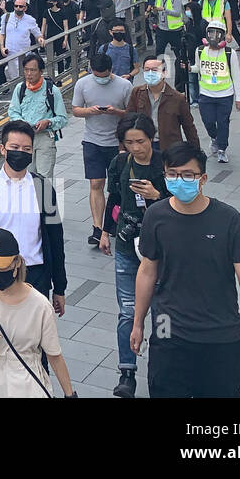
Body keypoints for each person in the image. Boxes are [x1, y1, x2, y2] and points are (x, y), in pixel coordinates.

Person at [131, 143, 240, 398]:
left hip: (220, 338)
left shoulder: (229, 220)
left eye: (187, 175)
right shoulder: (155, 216)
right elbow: (147, 271)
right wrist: (137, 322)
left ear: (203, 178)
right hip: (168, 336)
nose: (179, 180)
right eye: (172, 174)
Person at [0, 122, 66, 329]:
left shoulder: (43, 188)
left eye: (26, 149)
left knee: (37, 340)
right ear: (3, 149)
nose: (21, 153)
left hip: (36, 274)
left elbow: (56, 240)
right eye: (15, 148)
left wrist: (60, 288)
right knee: (0, 337)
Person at [0, 228, 76, 398]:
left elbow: (54, 356)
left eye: (0, 266)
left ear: (16, 263)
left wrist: (70, 394)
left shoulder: (39, 305)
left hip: (29, 385)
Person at [98, 114, 167, 399]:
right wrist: (105, 231)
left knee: (164, 312)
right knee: (128, 311)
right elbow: (114, 198)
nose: (136, 147)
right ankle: (127, 372)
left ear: (151, 138)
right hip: (128, 245)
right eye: (129, 142)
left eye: (141, 141)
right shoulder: (119, 163)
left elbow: (183, 205)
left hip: (162, 250)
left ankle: (162, 369)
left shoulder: (166, 165)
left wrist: (156, 195)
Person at [70, 51, 132, 249]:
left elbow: (132, 114)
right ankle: (97, 228)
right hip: (92, 141)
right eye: (97, 75)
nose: (100, 79)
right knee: (96, 183)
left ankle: (115, 222)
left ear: (111, 70)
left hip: (118, 143)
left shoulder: (124, 86)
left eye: (104, 76)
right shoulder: (83, 84)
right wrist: (91, 111)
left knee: (118, 186)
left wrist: (116, 112)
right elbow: (76, 110)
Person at [5, 53, 68, 179]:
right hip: (23, 139)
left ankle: (44, 199)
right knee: (24, 177)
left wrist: (48, 122)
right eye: (26, 70)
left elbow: (62, 118)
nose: (29, 74)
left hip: (44, 138)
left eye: (33, 70)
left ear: (41, 71)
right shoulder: (20, 88)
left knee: (43, 179)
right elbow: (13, 112)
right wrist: (22, 124)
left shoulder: (52, 90)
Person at [190, 18, 240, 163]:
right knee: (208, 121)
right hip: (206, 94)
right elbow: (198, 68)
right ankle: (214, 138)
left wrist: (239, 98)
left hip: (225, 94)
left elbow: (236, 76)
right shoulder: (200, 50)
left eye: (217, 33)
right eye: (211, 32)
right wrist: (189, 68)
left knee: (223, 122)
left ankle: (222, 149)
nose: (214, 36)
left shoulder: (229, 53)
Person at [126, 57, 199, 153]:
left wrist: (195, 152)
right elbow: (127, 120)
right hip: (143, 146)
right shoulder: (137, 93)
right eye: (147, 70)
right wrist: (123, 148)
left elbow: (189, 127)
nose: (150, 73)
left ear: (164, 73)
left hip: (169, 147)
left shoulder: (177, 98)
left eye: (155, 70)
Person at [151, 0, 189, 94]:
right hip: (162, 29)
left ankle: (181, 83)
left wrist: (164, 9)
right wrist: (155, 11)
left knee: (180, 55)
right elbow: (157, 9)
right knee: (159, 54)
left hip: (175, 30)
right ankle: (159, 79)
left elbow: (177, 13)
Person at [0, 0, 40, 81]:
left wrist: (40, 39)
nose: (18, 8)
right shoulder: (6, 17)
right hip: (10, 54)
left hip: (25, 54)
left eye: (21, 6)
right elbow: (2, 34)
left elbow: (38, 34)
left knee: (26, 78)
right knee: (13, 79)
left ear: (25, 8)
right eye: (16, 6)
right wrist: (2, 47)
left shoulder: (30, 19)